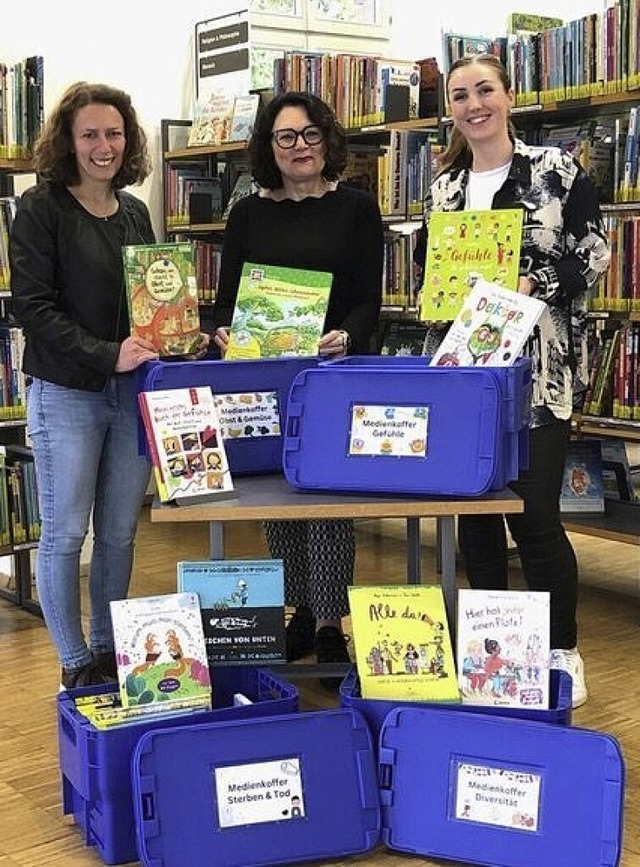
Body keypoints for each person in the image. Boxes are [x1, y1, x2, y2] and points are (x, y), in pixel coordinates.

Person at [416, 55, 610, 708]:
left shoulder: (556, 172)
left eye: (485, 91)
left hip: (539, 375)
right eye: (461, 95)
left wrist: (534, 283)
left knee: (536, 520)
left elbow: (597, 249)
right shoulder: (443, 188)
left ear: (508, 95)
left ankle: (562, 651)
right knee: (475, 523)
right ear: (452, 108)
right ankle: (494, 656)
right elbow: (430, 268)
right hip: (464, 379)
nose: (474, 105)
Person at [9, 82, 207, 690]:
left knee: (120, 531)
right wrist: (106, 355)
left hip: (130, 394)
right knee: (66, 531)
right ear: (67, 141)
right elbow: (32, 310)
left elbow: (149, 299)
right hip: (67, 391)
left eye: (114, 133)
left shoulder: (135, 212)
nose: (104, 146)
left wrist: (178, 334)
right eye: (90, 134)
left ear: (129, 140)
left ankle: (108, 648)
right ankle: (73, 661)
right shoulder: (41, 210)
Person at [212, 91, 383, 685]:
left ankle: (334, 621)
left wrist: (347, 333)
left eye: (310, 134)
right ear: (269, 147)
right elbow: (225, 303)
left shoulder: (357, 209)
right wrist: (225, 333)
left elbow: (370, 297)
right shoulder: (247, 215)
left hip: (333, 375)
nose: (300, 147)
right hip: (266, 379)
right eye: (286, 137)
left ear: (328, 140)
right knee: (277, 501)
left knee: (329, 501)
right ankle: (298, 613)